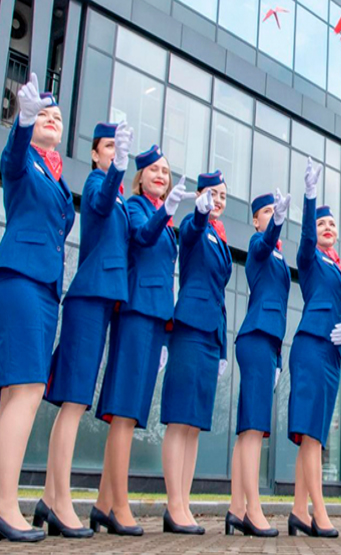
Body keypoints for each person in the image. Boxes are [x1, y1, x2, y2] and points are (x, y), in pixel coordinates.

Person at [91, 146, 195, 535]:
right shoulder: (136, 207)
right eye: (154, 169)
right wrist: (166, 210)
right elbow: (141, 237)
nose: (161, 175)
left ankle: (103, 504)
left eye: (165, 171)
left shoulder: (163, 218)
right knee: (124, 411)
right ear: (140, 176)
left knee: (132, 411)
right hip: (136, 312)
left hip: (155, 318)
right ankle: (119, 506)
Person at [39, 120, 133, 539]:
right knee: (74, 403)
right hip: (89, 298)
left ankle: (49, 498)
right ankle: (60, 503)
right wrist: (117, 169)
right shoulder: (97, 183)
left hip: (105, 300)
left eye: (117, 147)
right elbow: (100, 202)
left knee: (76, 403)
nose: (113, 151)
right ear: (95, 154)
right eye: (108, 146)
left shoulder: (120, 195)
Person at [0, 75, 75, 543]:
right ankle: (6, 506)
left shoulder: (57, 176)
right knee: (26, 388)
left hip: (46, 288)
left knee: (15, 392)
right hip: (23, 277)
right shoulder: (24, 159)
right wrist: (23, 123)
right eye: (43, 113)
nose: (51, 119)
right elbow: (10, 160)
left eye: (57, 117)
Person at [160, 171, 232, 533]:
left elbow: (220, 296)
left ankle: (184, 502)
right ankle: (173, 506)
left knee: (194, 425)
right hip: (189, 328)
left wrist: (222, 347)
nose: (218, 200)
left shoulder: (221, 238)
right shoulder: (194, 225)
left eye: (223, 196)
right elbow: (189, 231)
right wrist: (201, 210)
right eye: (213, 194)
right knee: (179, 418)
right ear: (201, 195)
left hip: (210, 334)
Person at [287, 159, 341, 539]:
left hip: (332, 355)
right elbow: (307, 240)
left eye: (332, 224)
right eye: (322, 223)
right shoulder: (311, 260)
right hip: (311, 346)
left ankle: (298, 511)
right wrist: (310, 197)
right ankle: (319, 512)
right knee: (311, 435)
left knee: (316, 433)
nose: (327, 227)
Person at [226, 190, 291, 537]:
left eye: (274, 211)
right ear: (255, 220)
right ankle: (253, 510)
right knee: (254, 428)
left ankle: (237, 508)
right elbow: (265, 244)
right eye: (266, 211)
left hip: (267, 341)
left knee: (248, 429)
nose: (271, 214)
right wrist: (277, 221)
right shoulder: (258, 244)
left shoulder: (279, 255)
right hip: (256, 335)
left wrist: (278, 356)